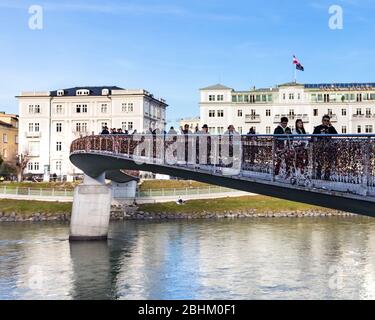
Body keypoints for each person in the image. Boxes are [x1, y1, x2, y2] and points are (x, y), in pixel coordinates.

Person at [313, 115, 338, 180]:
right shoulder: (318, 128)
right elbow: (313, 136)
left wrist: (331, 126)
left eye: (327, 121)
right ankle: (318, 176)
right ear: (322, 121)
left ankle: (327, 176)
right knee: (319, 162)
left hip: (328, 147)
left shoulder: (331, 128)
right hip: (320, 147)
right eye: (325, 120)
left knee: (328, 162)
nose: (326, 122)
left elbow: (336, 135)